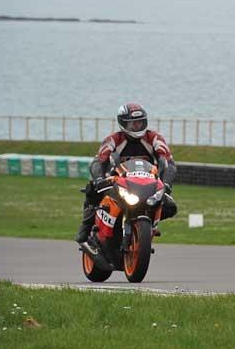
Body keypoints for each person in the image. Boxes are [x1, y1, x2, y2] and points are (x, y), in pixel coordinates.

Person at [74, 103, 178, 245]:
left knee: (170, 206)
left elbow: (169, 163)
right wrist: (99, 179)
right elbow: (98, 161)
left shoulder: (154, 138)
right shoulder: (113, 140)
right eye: (133, 123)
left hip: (148, 185)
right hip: (118, 182)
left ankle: (148, 228)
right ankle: (86, 225)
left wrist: (166, 183)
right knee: (92, 190)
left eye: (140, 122)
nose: (137, 126)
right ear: (123, 123)